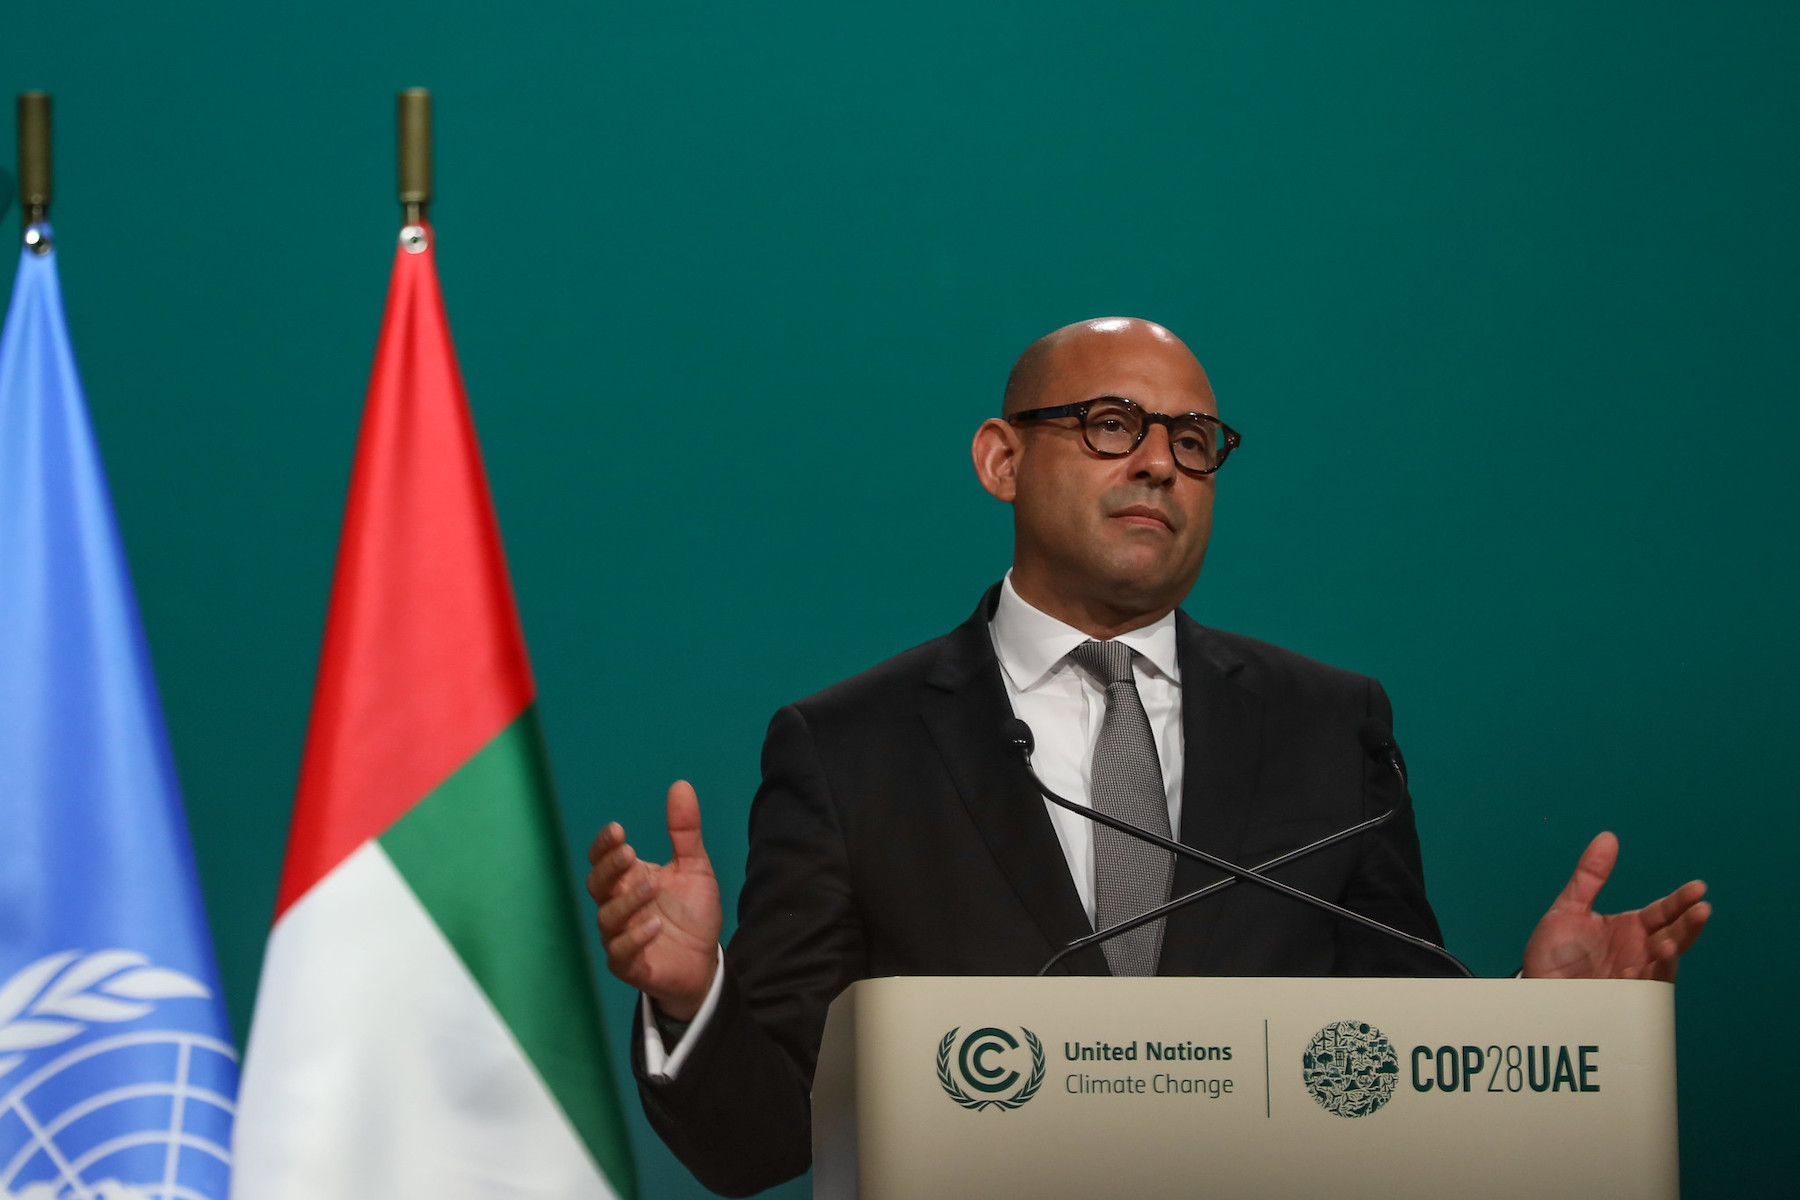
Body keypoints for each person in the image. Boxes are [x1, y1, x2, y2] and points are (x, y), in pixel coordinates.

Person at [584, 317, 1711, 1196]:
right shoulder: (849, 747)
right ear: (1000, 459)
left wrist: (1538, 1021)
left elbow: (1387, 1062)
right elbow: (760, 1141)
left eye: (1192, 440)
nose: (1162, 465)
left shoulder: (1333, 723)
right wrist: (696, 998)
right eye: (1112, 425)